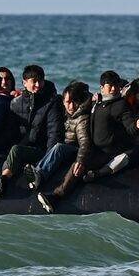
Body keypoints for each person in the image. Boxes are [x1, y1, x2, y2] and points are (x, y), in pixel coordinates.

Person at [0, 65, 60, 197]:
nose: (37, 85)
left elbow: (54, 132)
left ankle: (1, 182)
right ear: (24, 83)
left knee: (16, 150)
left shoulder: (52, 102)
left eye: (40, 81)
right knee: (14, 149)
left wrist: (48, 160)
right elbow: (9, 133)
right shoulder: (16, 103)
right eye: (33, 81)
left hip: (42, 151)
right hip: (23, 147)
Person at [33, 81, 94, 211]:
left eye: (74, 102)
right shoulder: (67, 112)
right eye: (67, 102)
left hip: (77, 150)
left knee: (59, 148)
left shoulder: (81, 118)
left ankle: (39, 175)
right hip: (69, 146)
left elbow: (85, 143)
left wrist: (80, 160)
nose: (70, 106)